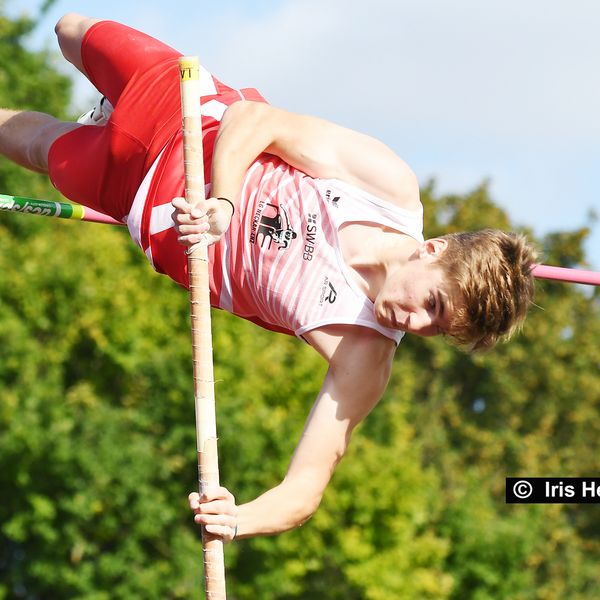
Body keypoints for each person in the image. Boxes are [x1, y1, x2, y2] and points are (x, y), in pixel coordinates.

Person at [0, 14, 536, 542]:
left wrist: (238, 518)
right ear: (434, 250)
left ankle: (94, 129)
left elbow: (304, 490)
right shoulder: (387, 187)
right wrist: (225, 202)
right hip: (187, 113)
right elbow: (258, 120)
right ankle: (105, 109)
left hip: (147, 200)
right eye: (435, 305)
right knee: (69, 29)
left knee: (40, 146)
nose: (417, 323)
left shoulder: (363, 356)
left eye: (436, 330)